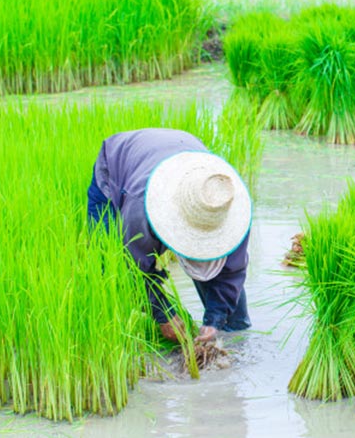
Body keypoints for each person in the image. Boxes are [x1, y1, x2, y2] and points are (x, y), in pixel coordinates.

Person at [87, 128, 252, 343]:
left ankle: (236, 335)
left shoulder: (229, 206)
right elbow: (129, 269)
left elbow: (232, 272)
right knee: (107, 262)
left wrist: (215, 321)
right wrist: (163, 314)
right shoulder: (142, 208)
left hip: (184, 154)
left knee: (231, 321)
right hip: (118, 164)